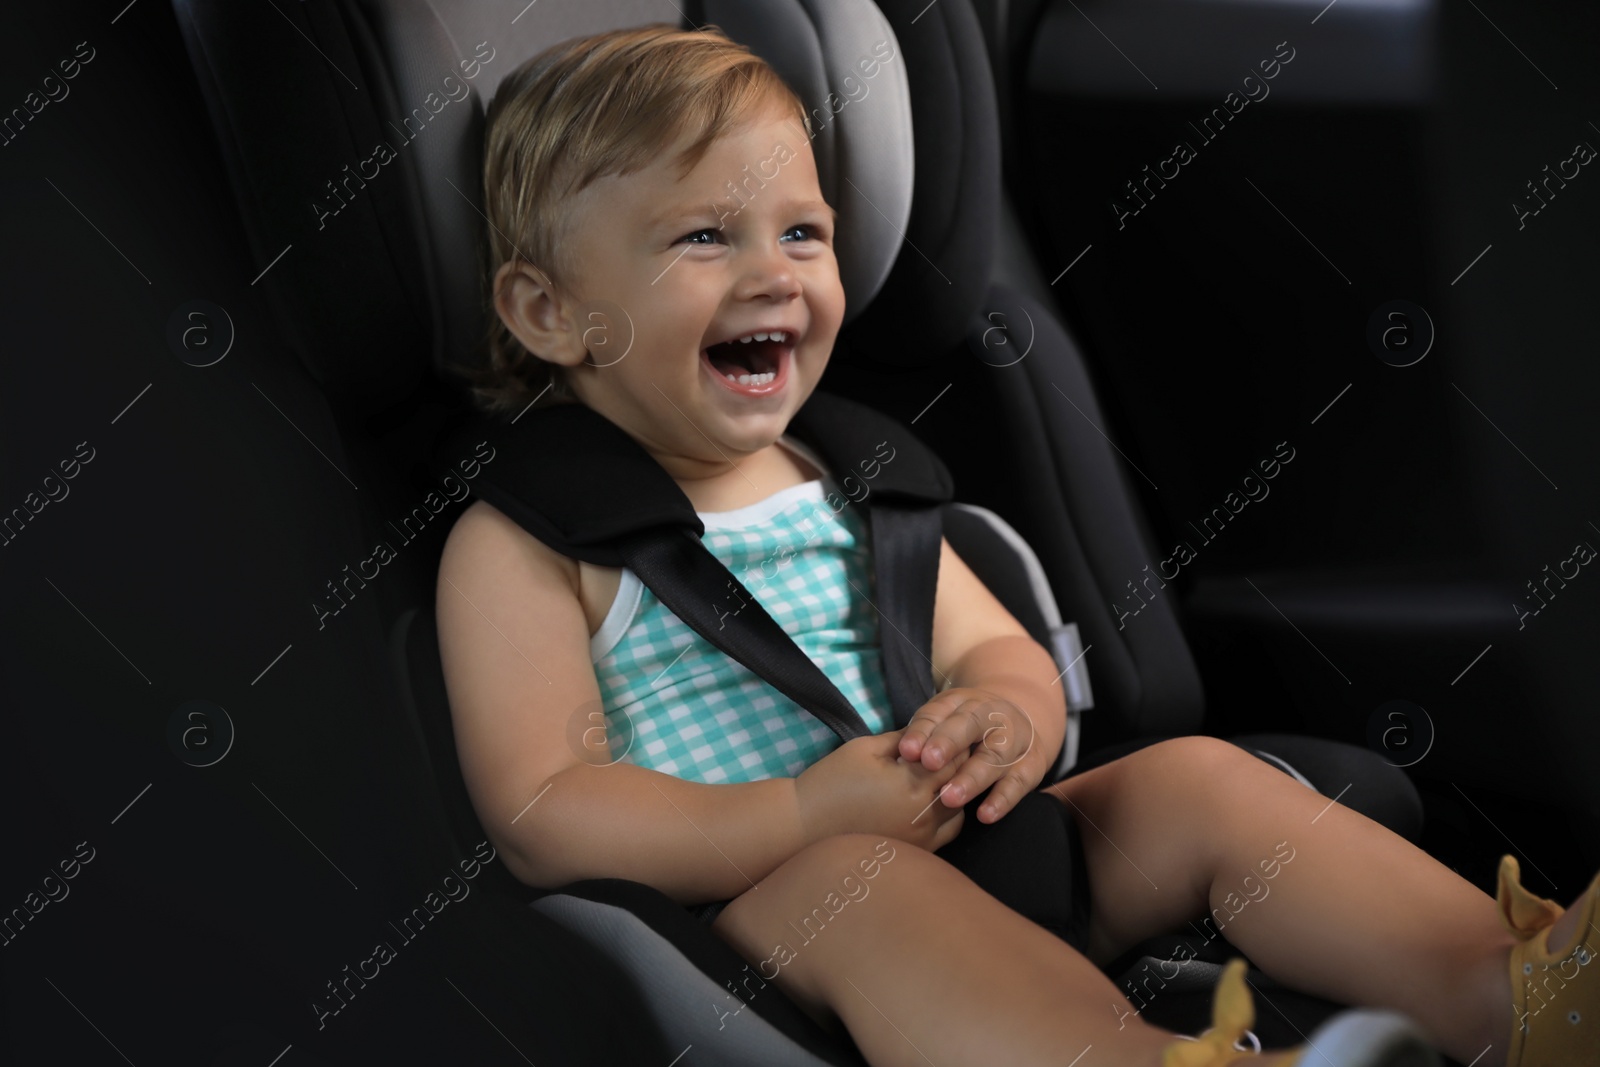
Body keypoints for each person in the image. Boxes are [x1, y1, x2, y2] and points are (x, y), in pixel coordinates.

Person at [432, 23, 1599, 1067]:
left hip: (981, 843)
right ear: (549, 311)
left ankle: (1519, 988)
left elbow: (1000, 655)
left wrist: (1006, 718)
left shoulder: (851, 480)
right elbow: (543, 807)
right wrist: (798, 816)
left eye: (801, 231)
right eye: (702, 235)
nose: (772, 272)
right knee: (861, 883)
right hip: (763, 918)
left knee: (1190, 777)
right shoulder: (532, 542)